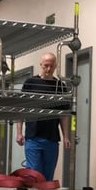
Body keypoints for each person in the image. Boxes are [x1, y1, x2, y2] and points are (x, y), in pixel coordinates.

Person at [16, 52, 71, 181]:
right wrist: (19, 132)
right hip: (33, 137)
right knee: (34, 174)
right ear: (41, 65)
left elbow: (63, 115)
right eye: (45, 66)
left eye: (51, 66)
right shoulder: (30, 83)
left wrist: (66, 136)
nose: (48, 69)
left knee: (48, 176)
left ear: (55, 66)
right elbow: (21, 109)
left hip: (51, 139)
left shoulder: (60, 87)